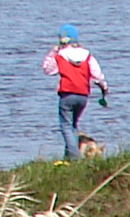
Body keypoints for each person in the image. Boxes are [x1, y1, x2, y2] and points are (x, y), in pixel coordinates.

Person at [44, 26, 106, 159]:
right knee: (73, 125)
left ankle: (74, 157)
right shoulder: (87, 56)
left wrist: (52, 52)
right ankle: (69, 154)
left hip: (67, 94)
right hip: (83, 96)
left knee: (66, 126)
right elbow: (97, 76)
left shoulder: (59, 55)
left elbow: (48, 70)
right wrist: (104, 89)